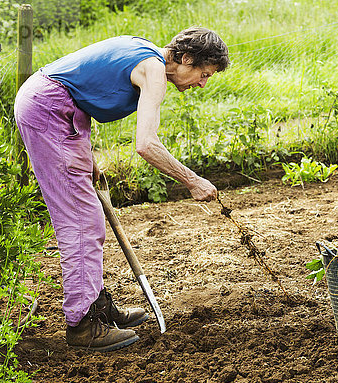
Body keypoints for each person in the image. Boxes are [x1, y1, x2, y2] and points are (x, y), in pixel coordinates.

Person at [14, 27, 230, 352]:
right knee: (81, 222)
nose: (202, 83)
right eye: (203, 74)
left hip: (62, 111)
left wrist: (86, 159)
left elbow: (81, 90)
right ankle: (83, 326)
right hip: (49, 111)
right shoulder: (154, 70)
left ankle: (97, 307)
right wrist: (192, 180)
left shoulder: (146, 51)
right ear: (186, 58)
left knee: (88, 218)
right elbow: (146, 144)